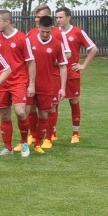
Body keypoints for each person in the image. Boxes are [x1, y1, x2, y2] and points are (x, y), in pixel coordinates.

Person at [0, 10, 36, 157]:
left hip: (19, 81)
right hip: (2, 83)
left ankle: (24, 143)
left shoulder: (23, 38)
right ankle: (8, 147)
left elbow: (31, 62)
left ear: (7, 21)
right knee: (4, 116)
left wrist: (31, 84)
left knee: (20, 112)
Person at [55, 7, 98, 143]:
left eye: (60, 17)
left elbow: (93, 48)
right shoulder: (54, 33)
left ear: (68, 18)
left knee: (73, 101)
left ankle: (75, 133)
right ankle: (52, 133)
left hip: (71, 73)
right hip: (56, 73)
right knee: (53, 103)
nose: (58, 20)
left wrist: (83, 65)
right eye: (56, 18)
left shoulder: (77, 32)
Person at [28, 15, 68, 153]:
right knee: (26, 111)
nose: (45, 34)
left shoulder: (57, 44)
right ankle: (30, 138)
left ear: (52, 29)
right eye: (42, 31)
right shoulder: (29, 40)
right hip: (30, 84)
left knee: (44, 114)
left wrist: (62, 88)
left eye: (48, 32)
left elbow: (63, 66)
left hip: (47, 85)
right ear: (38, 28)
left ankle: (39, 143)